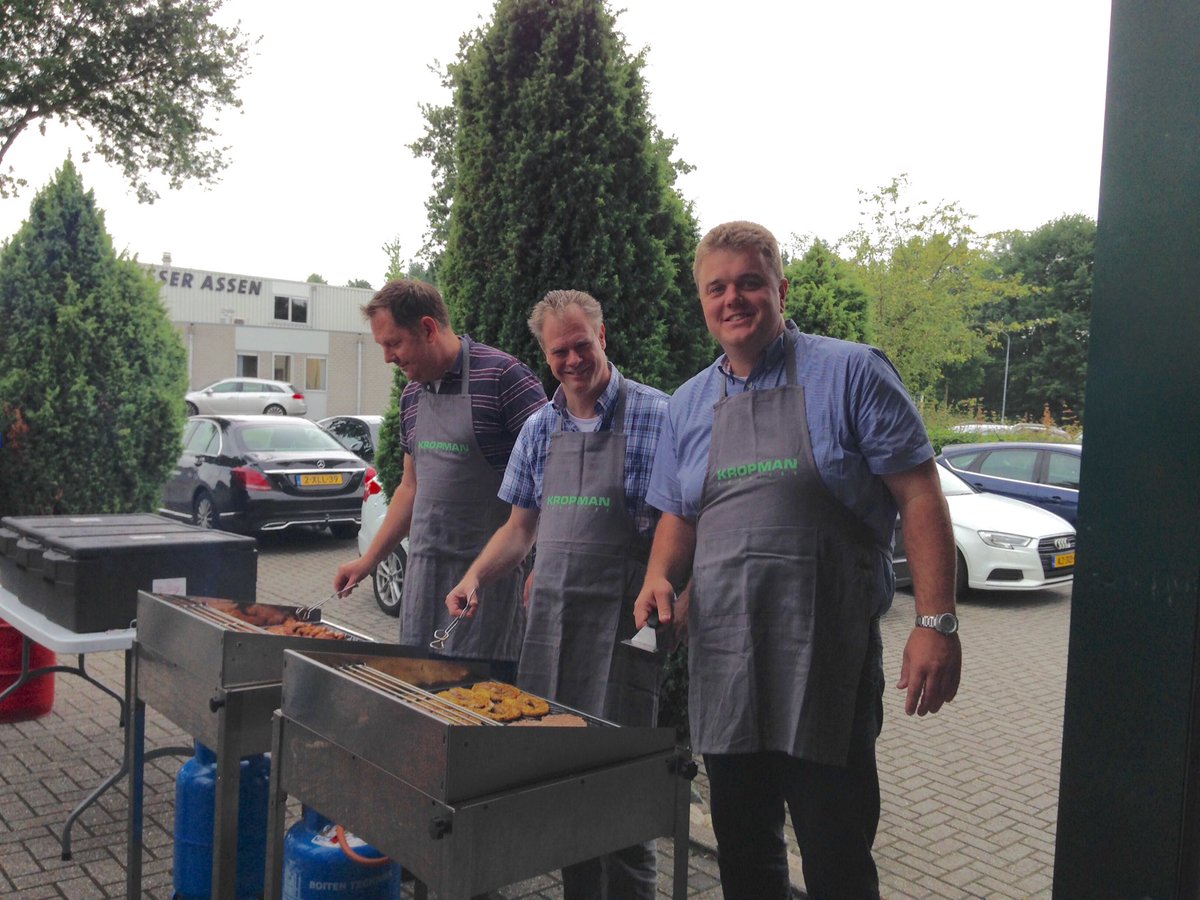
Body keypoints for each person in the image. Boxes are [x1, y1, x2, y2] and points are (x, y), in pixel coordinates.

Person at [634, 221, 962, 899]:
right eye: (717, 287)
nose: (734, 298)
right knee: (745, 859)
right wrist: (658, 575)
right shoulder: (689, 402)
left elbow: (919, 492)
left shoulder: (850, 372)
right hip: (725, 661)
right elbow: (678, 511)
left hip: (826, 661)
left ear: (781, 289)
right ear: (703, 302)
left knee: (836, 860)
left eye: (750, 281)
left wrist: (937, 623)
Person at [446, 289, 669, 899]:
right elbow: (521, 529)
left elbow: (682, 527)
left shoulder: (657, 415)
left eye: (580, 345)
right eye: (557, 351)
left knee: (624, 797)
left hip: (626, 635)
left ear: (604, 339)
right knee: (564, 791)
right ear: (544, 355)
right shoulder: (540, 429)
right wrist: (474, 578)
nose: (571, 361)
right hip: (551, 633)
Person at [334, 278, 547, 660]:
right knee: (420, 692)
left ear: (428, 328)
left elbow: (550, 483)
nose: (387, 358)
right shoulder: (412, 395)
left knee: (479, 700)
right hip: (423, 576)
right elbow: (410, 488)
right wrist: (368, 561)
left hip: (487, 585)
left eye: (393, 343)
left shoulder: (504, 379)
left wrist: (543, 564)